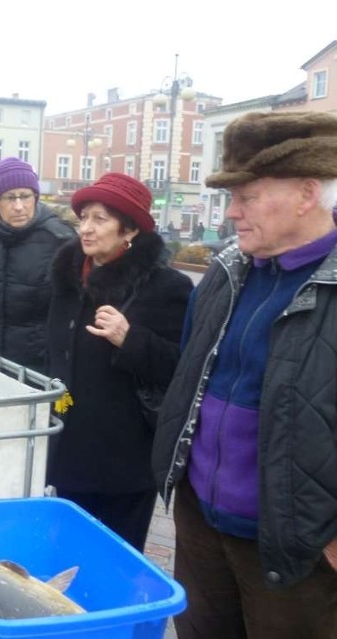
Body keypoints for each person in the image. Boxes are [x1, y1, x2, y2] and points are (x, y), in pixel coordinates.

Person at [152, 111, 337, 639]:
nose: (231, 212)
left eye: (248, 196)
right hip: (200, 525)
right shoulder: (224, 273)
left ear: (306, 193)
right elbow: (188, 380)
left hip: (295, 548)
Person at [45, 172, 193, 552]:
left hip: (123, 459)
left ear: (129, 231)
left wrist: (131, 339)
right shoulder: (69, 277)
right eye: (83, 218)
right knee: (66, 552)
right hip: (66, 442)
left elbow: (181, 368)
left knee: (116, 556)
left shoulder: (166, 287)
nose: (86, 229)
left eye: (100, 219)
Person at [0, 157, 75, 372]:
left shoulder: (59, 238)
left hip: (37, 364)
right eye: (10, 197)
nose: (19, 206)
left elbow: (71, 308)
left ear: (35, 197)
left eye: (25, 196)